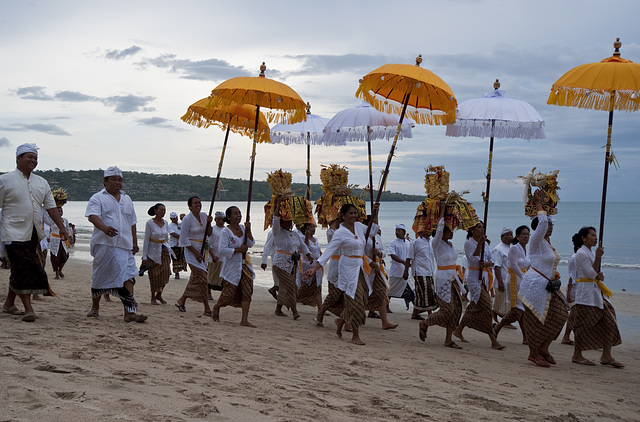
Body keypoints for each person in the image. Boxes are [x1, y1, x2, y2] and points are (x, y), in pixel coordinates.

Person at [0, 143, 69, 321]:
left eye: (35, 158)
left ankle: (8, 303)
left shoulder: (42, 182)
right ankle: (29, 308)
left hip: (33, 233)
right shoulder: (5, 180)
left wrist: (62, 227)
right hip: (11, 232)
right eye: (29, 157)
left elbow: (51, 207)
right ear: (18, 158)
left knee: (20, 268)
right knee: (26, 267)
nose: (33, 160)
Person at [304, 203, 380, 346]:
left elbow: (373, 230)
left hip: (360, 268)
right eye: (350, 213)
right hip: (347, 268)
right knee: (354, 300)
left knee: (363, 300)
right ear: (343, 216)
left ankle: (340, 321)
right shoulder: (340, 232)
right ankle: (355, 335)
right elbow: (328, 252)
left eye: (355, 213)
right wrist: (314, 269)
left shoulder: (359, 227)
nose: (353, 216)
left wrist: (375, 214)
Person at [85, 166, 147, 322]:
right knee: (100, 276)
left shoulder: (127, 199)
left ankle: (129, 312)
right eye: (113, 179)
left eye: (120, 180)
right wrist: (104, 228)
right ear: (105, 181)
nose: (117, 183)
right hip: (105, 244)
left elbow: (132, 222)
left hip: (125, 245)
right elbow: (92, 216)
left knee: (129, 276)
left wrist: (134, 242)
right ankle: (95, 307)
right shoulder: (97, 198)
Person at [518, 193, 568, 367]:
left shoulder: (547, 244)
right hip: (534, 285)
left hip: (547, 285)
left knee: (561, 313)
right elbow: (543, 222)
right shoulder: (535, 241)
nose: (550, 227)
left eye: (552, 225)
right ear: (540, 226)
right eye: (548, 224)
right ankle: (533, 353)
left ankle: (544, 347)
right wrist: (539, 204)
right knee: (535, 319)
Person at [570, 226, 623, 367]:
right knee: (584, 325)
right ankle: (577, 354)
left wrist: (600, 273)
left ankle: (606, 355)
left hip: (597, 292)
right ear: (584, 238)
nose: (595, 238)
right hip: (586, 294)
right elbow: (590, 273)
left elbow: (598, 273)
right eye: (592, 235)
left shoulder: (591, 253)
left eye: (596, 235)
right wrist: (598, 259)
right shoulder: (581, 253)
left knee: (609, 321)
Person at [419, 201, 464, 349]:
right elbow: (438, 231)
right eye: (449, 229)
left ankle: (448, 339)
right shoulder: (436, 244)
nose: (452, 232)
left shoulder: (450, 245)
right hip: (443, 279)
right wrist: (443, 211)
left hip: (453, 279)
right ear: (443, 231)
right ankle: (426, 322)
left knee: (456, 309)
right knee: (447, 310)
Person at [453, 221, 504, 350]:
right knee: (487, 307)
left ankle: (459, 329)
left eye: (483, 227)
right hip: (474, 277)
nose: (482, 229)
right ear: (472, 230)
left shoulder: (486, 244)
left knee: (474, 306)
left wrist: (486, 263)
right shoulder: (469, 243)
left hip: (484, 277)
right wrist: (480, 244)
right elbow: (474, 258)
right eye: (479, 227)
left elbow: (491, 260)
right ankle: (493, 339)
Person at [211, 206, 256, 327]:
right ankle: (217, 306)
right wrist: (238, 250)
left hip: (244, 265)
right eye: (235, 214)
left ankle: (244, 319)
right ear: (229, 217)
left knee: (247, 290)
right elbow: (222, 249)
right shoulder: (226, 231)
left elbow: (250, 243)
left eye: (239, 213)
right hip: (232, 266)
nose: (239, 215)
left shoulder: (242, 228)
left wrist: (248, 230)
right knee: (228, 294)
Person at [271, 197, 312, 320]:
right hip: (280, 263)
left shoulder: (294, 234)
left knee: (284, 286)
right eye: (287, 221)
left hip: (293, 263)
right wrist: (278, 205)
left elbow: (303, 245)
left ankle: (278, 309)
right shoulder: (277, 232)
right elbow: (275, 219)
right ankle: (294, 310)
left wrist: (308, 254)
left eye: (290, 222)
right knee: (291, 286)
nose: (289, 224)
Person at [175, 196, 213, 316]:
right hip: (192, 251)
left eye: (199, 202)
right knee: (202, 278)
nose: (198, 204)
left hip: (203, 251)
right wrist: (195, 253)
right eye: (195, 203)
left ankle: (182, 300)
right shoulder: (187, 219)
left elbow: (209, 233)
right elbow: (183, 239)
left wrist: (209, 223)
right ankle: (207, 307)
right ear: (190, 206)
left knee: (196, 278)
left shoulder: (204, 216)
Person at [493, 225, 530, 342]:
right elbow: (513, 265)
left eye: (528, 234)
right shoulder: (514, 248)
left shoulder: (526, 250)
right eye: (523, 234)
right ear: (518, 236)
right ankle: (498, 327)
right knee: (517, 309)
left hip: (522, 281)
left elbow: (528, 265)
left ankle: (525, 337)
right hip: (513, 281)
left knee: (522, 310)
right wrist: (524, 277)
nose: (526, 236)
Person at [141, 203, 174, 305]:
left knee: (166, 274)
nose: (163, 212)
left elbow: (166, 238)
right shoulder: (150, 223)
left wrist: (170, 251)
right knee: (154, 275)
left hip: (164, 251)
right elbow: (146, 240)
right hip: (153, 252)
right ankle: (152, 297)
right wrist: (144, 256)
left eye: (164, 210)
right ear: (155, 211)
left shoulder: (166, 223)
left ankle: (159, 294)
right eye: (161, 210)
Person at [405, 228, 438, 319]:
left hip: (430, 271)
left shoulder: (431, 242)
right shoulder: (416, 242)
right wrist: (406, 272)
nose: (429, 231)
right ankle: (430, 313)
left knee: (421, 293)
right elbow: (409, 257)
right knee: (428, 291)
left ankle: (415, 313)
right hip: (419, 271)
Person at [387, 224, 414, 315]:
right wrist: (403, 262)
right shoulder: (393, 243)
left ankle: (416, 311)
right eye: (396, 230)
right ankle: (386, 306)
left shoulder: (408, 243)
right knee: (390, 290)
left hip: (406, 271)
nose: (397, 232)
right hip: (396, 271)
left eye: (399, 231)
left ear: (404, 232)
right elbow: (392, 255)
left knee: (411, 289)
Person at [297, 223, 323, 311]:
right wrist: (307, 237)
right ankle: (290, 302)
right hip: (307, 265)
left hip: (316, 265)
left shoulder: (316, 239)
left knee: (318, 287)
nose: (313, 229)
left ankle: (321, 309)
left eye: (314, 227)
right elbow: (305, 249)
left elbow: (319, 251)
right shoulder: (302, 238)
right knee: (304, 287)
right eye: (311, 227)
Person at [491, 227, 512, 325]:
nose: (510, 237)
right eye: (507, 235)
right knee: (504, 303)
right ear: (502, 237)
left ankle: (496, 316)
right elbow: (497, 266)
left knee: (503, 302)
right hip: (503, 280)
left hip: (510, 280)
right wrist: (500, 282)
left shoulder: (511, 249)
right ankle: (505, 322)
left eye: (511, 234)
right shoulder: (498, 249)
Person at [207, 211, 226, 296]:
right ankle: (208, 292)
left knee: (223, 277)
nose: (220, 221)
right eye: (218, 219)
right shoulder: (212, 229)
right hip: (214, 256)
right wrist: (213, 255)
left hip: (224, 257)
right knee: (211, 275)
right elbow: (208, 243)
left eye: (222, 219)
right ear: (215, 220)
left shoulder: (226, 230)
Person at [561, 248, 577, 345]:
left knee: (575, 314)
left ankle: (567, 336)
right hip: (575, 288)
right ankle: (566, 336)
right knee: (574, 313)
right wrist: (569, 293)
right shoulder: (574, 258)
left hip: (582, 288)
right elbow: (572, 276)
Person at [49, 206, 70, 280]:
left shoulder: (65, 220)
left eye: (61, 211)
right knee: (55, 257)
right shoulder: (51, 220)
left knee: (65, 256)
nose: (60, 213)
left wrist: (69, 238)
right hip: (54, 240)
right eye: (58, 211)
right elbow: (48, 228)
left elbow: (67, 229)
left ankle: (60, 269)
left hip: (63, 240)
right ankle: (57, 272)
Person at [260, 229, 279, 300]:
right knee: (278, 281)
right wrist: (264, 261)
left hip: (287, 260)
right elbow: (267, 246)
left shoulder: (287, 232)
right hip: (276, 260)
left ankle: (274, 289)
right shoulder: (272, 233)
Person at [168, 212, 185, 279]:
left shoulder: (180, 224)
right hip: (173, 245)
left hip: (181, 244)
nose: (175, 219)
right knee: (175, 259)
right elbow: (173, 234)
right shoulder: (170, 226)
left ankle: (181, 271)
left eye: (176, 218)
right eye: (173, 218)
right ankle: (176, 274)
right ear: (171, 219)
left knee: (182, 258)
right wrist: (182, 237)